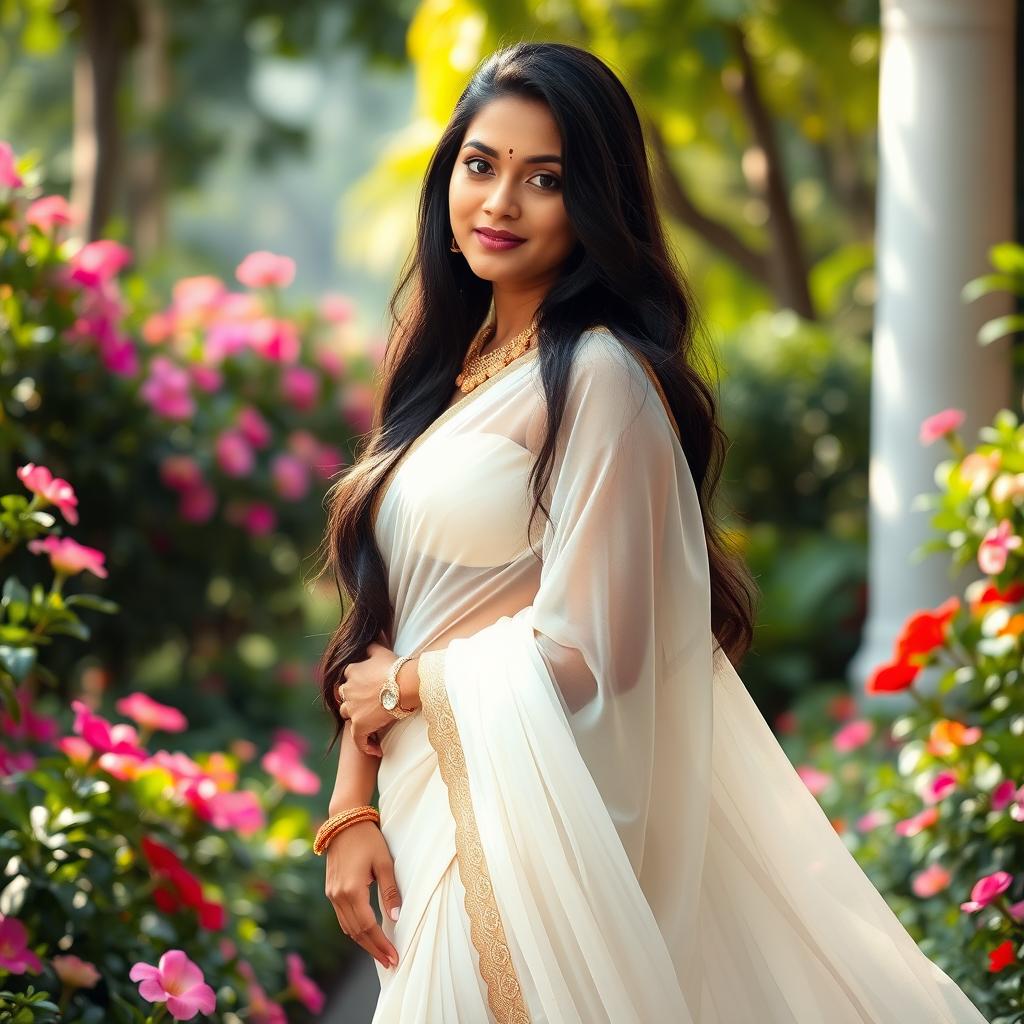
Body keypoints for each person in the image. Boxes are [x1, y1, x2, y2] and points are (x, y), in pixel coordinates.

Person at [311, 40, 990, 1024]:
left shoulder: (597, 378)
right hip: (425, 817)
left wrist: (412, 686)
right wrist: (353, 804)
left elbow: (592, 651)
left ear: (594, 205)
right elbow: (391, 609)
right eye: (480, 164)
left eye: (543, 179)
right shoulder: (451, 365)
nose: (499, 203)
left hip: (511, 840)